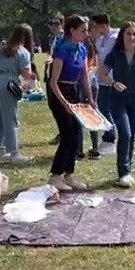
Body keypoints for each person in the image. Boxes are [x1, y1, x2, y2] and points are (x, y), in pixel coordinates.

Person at [99, 22, 135, 187]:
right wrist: (113, 82)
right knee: (125, 134)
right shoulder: (114, 54)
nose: (132, 37)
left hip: (134, 99)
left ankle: (127, 171)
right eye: (129, 34)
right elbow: (101, 73)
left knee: (132, 136)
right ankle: (123, 172)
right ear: (122, 36)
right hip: (117, 99)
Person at [47, 15, 94, 192]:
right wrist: (64, 102)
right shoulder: (62, 50)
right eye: (83, 31)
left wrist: (90, 98)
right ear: (72, 31)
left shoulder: (81, 49)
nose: (86, 34)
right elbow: (53, 81)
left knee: (75, 132)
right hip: (58, 92)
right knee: (67, 133)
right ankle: (55, 175)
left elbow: (83, 76)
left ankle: (69, 173)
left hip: (73, 93)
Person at [0, 24, 35, 164]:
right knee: (11, 119)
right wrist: (32, 77)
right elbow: (26, 74)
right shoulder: (23, 52)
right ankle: (14, 153)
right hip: (8, 84)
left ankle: (1, 151)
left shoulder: (1, 50)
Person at [91, 13, 118, 156]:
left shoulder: (114, 38)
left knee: (104, 108)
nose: (94, 29)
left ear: (102, 25)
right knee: (102, 107)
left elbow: (105, 55)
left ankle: (110, 138)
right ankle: (108, 137)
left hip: (111, 78)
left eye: (95, 26)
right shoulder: (102, 38)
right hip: (101, 78)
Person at [44, 13, 65, 144]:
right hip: (49, 75)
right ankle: (61, 131)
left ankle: (64, 133)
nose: (53, 26)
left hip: (58, 77)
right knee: (52, 105)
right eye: (51, 23)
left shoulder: (64, 38)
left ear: (62, 24)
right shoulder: (53, 38)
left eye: (56, 23)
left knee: (59, 106)